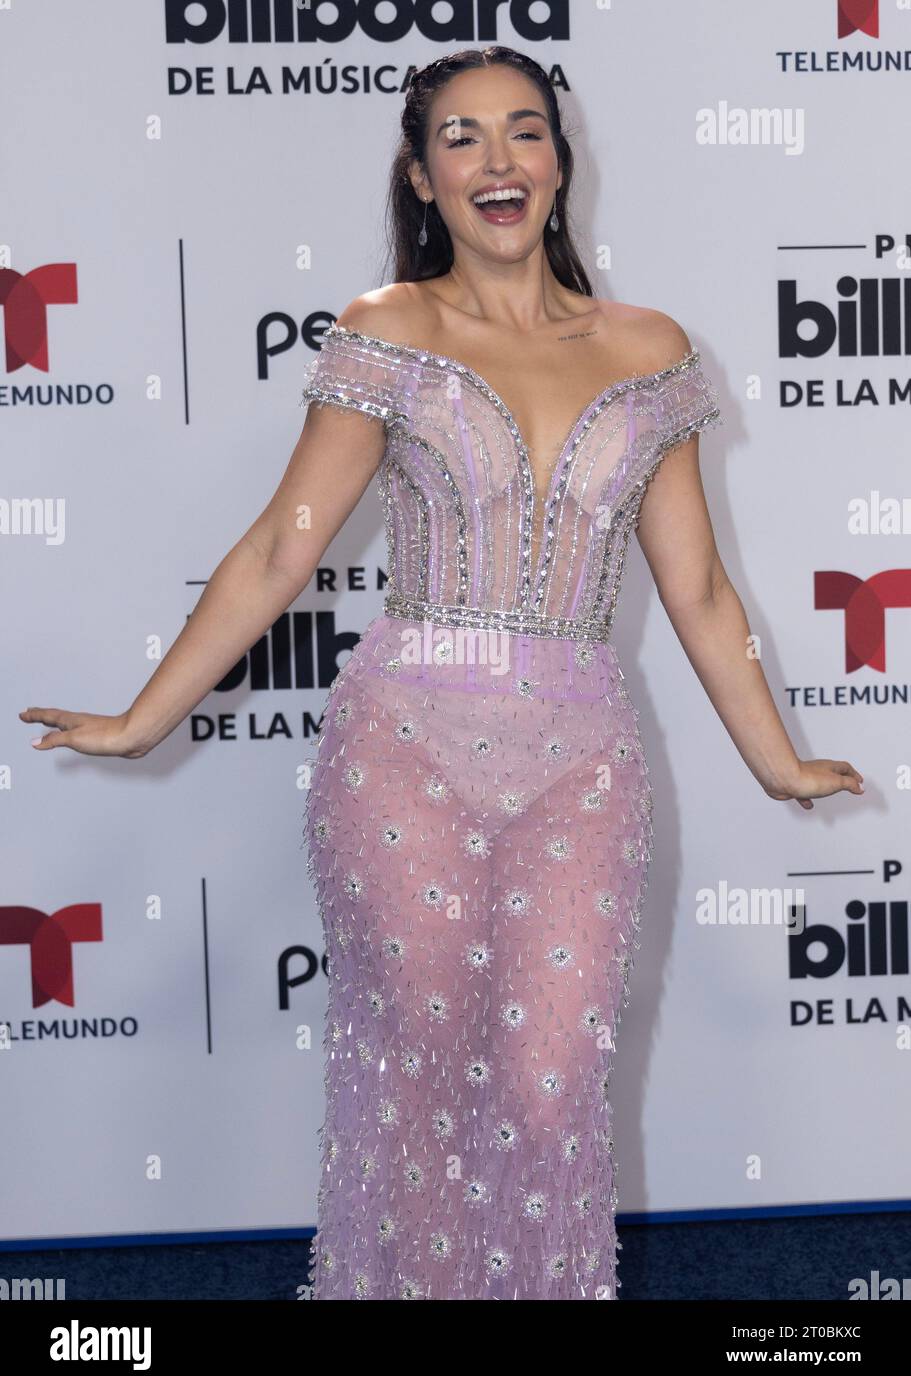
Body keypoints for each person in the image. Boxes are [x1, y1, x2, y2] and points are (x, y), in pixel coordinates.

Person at [20, 47, 863, 1301]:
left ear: (560, 162)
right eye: (460, 139)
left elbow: (696, 589)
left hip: (582, 761)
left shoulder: (648, 348)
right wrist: (149, 716)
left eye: (523, 131)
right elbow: (277, 548)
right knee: (410, 1060)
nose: (497, 160)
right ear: (422, 177)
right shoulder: (389, 331)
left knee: (550, 1079)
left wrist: (776, 759)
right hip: (401, 749)